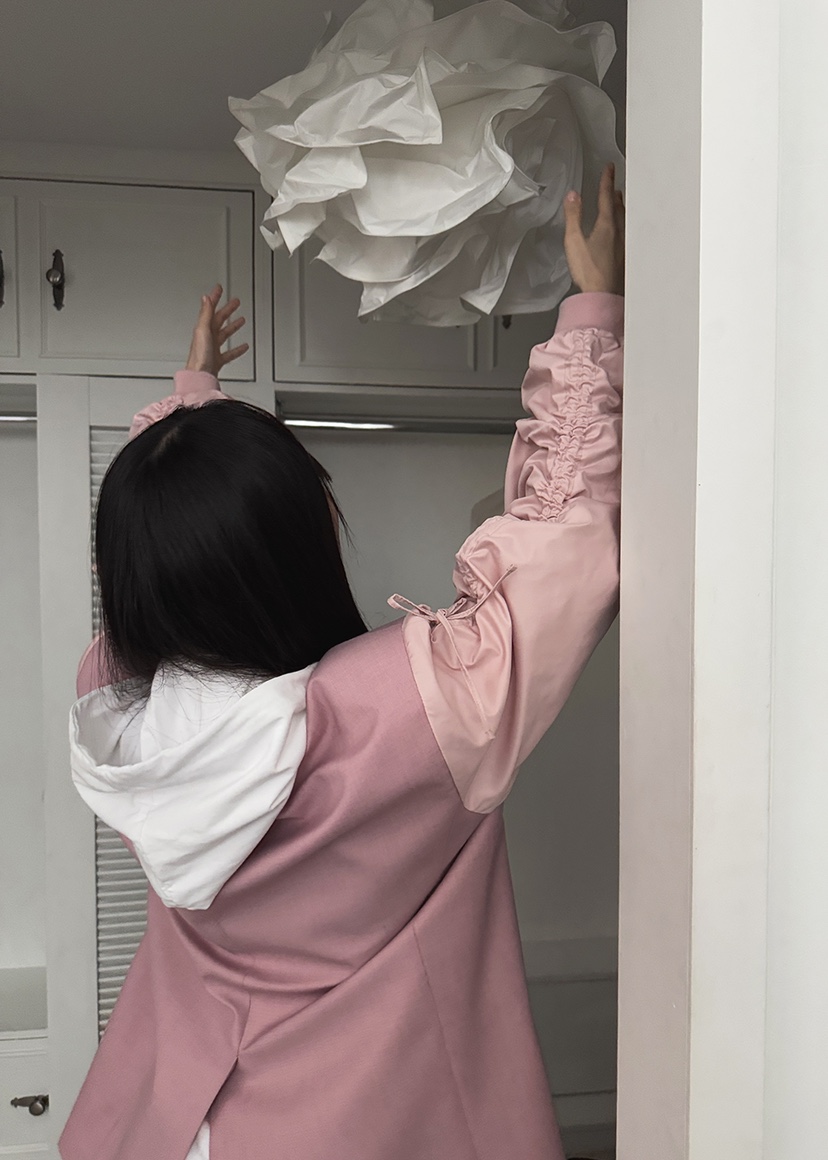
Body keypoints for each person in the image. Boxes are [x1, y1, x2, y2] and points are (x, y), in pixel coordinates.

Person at [60, 166, 625, 1160]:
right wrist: (594, 313)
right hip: (354, 1124)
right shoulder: (401, 714)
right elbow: (562, 542)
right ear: (298, 549)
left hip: (175, 1116)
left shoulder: (114, 704)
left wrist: (190, 411)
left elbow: (164, 568)